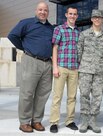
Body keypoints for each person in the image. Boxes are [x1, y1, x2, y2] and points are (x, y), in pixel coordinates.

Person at [7, 2, 53, 133]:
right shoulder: (26, 23)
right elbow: (12, 36)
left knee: (43, 94)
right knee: (27, 93)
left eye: (45, 10)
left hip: (47, 63)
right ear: (36, 10)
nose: (43, 12)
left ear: (48, 12)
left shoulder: (51, 28)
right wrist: (25, 48)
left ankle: (36, 120)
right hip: (31, 61)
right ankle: (24, 122)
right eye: (40, 9)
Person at [77, 9, 103, 133]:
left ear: (102, 20)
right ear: (91, 19)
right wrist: (85, 63)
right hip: (85, 70)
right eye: (95, 17)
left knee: (97, 96)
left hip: (99, 72)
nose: (97, 19)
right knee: (84, 95)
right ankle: (85, 120)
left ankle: (93, 120)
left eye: (99, 18)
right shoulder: (84, 35)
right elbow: (79, 52)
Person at [49, 6, 80, 133]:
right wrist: (55, 67)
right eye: (70, 14)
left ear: (77, 16)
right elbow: (55, 48)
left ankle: (69, 121)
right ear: (66, 15)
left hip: (74, 69)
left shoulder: (79, 31)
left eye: (75, 14)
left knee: (72, 97)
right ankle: (54, 122)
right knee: (57, 96)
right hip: (61, 67)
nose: (72, 16)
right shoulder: (59, 29)